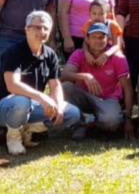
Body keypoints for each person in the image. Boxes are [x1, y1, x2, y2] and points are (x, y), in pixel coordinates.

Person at [0, 11, 80, 155]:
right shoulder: (13, 52)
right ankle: (13, 138)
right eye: (36, 27)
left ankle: (27, 130)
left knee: (72, 113)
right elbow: (12, 85)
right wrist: (42, 97)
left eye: (45, 28)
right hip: (7, 106)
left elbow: (55, 85)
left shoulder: (50, 54)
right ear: (26, 29)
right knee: (21, 101)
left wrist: (59, 105)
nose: (41, 32)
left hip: (31, 105)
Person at [60, 23, 134, 140]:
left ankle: (93, 124)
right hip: (84, 96)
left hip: (108, 98)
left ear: (108, 39)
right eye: (94, 37)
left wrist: (129, 120)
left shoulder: (118, 58)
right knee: (65, 87)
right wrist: (85, 76)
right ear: (87, 39)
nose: (98, 41)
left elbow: (127, 88)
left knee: (111, 123)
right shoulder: (79, 54)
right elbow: (63, 76)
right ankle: (79, 125)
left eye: (101, 37)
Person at [80, 0, 123, 68]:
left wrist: (105, 55)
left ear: (108, 14)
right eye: (94, 13)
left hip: (110, 52)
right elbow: (85, 42)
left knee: (119, 56)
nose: (97, 16)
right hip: (93, 52)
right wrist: (87, 54)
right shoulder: (88, 25)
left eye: (101, 14)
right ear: (89, 14)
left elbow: (117, 46)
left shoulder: (112, 25)